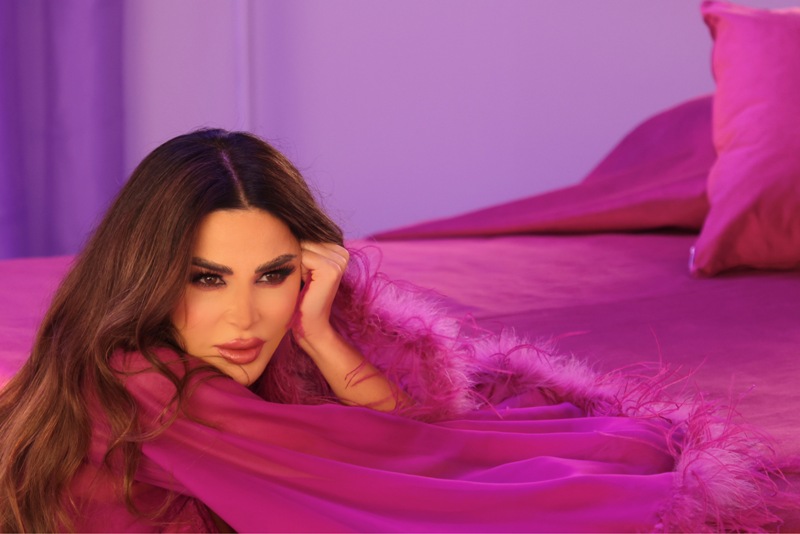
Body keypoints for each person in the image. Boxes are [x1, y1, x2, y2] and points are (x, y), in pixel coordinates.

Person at [0, 129, 790, 532]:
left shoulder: (169, 360)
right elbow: (386, 456)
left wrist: (320, 331)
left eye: (273, 275)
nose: (244, 319)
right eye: (206, 278)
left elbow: (392, 427)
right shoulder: (149, 385)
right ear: (147, 271)